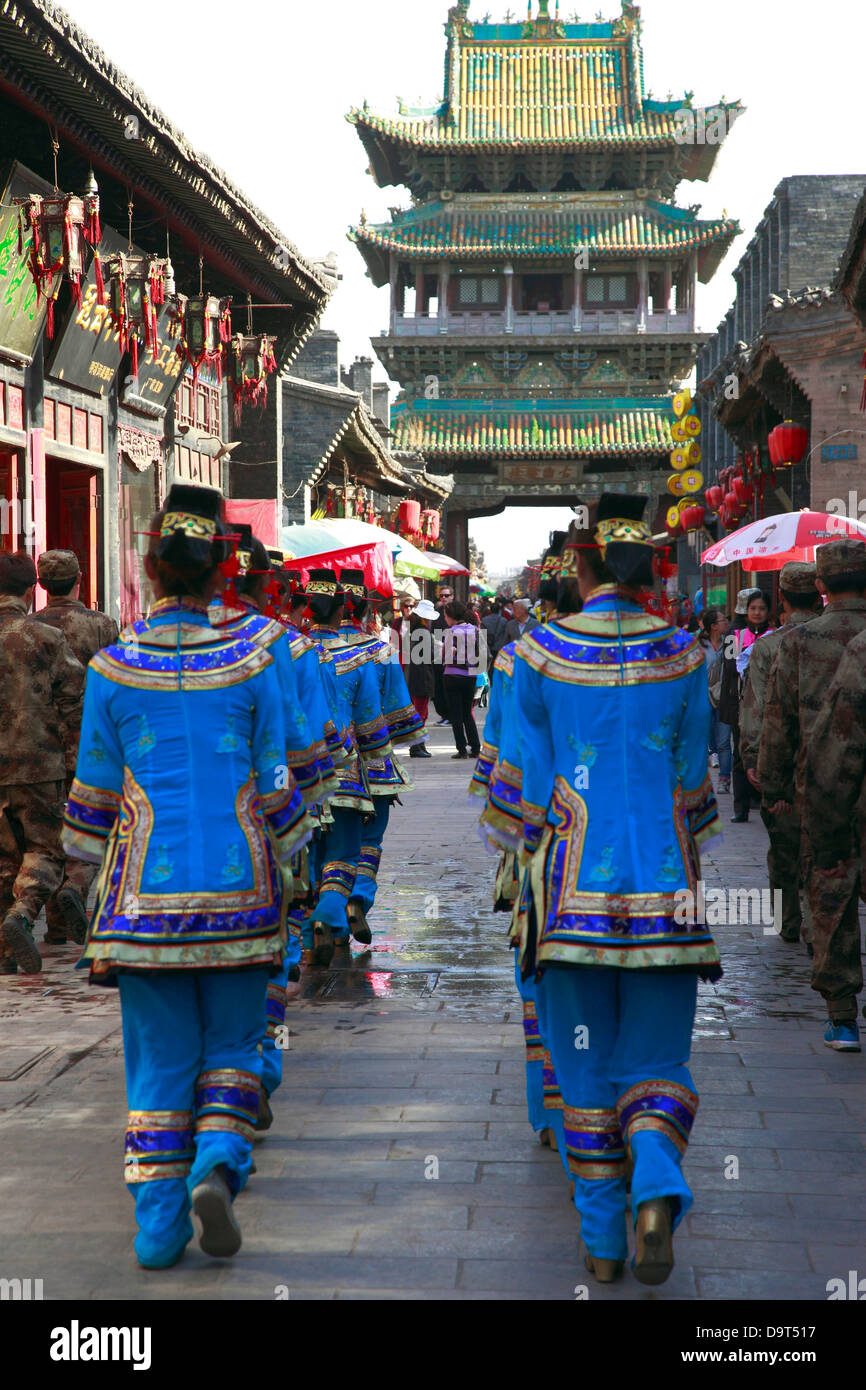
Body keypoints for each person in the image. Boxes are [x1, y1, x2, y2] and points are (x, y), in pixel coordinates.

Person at [61, 484, 313, 1268]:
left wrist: (77, 863)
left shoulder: (110, 667)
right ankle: (216, 1165)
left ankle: (158, 1230)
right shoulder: (255, 661)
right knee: (236, 1044)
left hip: (144, 904)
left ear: (149, 566)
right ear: (217, 575)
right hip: (242, 892)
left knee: (159, 1061)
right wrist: (298, 853)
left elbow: (90, 810)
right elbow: (277, 787)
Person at [507, 494, 722, 1286]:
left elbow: (527, 797)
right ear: (647, 569)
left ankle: (602, 1241)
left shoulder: (538, 655)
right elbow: (696, 786)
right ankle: (658, 1182)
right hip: (670, 896)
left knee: (584, 1068)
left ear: (583, 564)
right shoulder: (686, 656)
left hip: (569, 898)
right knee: (659, 1057)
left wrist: (529, 859)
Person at [758, 538, 866, 1051]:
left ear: (821, 585)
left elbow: (777, 722)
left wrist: (774, 785)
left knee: (830, 895)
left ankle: (842, 1016)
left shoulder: (796, 643)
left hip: (820, 787)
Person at [0, 550, 86, 974]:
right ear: (30, 589)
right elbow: (76, 702)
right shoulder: (43, 638)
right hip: (39, 763)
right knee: (47, 848)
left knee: (2, 855)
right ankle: (22, 912)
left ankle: (3, 952)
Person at [26, 549, 118, 945]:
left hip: (40, 749)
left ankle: (57, 925)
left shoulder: (28, 628)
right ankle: (76, 887)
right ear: (80, 579)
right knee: (91, 822)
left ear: (42, 585)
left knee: (46, 832)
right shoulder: (102, 625)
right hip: (89, 746)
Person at [304, 570, 393, 965]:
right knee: (352, 846)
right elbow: (380, 719)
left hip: (295, 769)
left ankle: (310, 930)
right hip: (349, 764)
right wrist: (379, 761)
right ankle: (340, 907)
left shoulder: (287, 649)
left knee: (309, 850)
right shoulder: (369, 652)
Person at [334, 569, 425, 941]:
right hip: (374, 760)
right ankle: (358, 896)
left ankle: (326, 921)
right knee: (371, 839)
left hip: (326, 762)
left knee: (331, 844)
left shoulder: (305, 649)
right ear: (369, 609)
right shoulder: (380, 651)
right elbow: (400, 715)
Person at [739, 562, 821, 945]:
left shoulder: (769, 647)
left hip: (785, 767)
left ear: (782, 598)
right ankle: (822, 929)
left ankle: (790, 923)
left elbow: (756, 712)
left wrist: (754, 761)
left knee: (785, 853)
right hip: (843, 768)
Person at [802, 625, 866, 1042]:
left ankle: (843, 1018)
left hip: (848, 804)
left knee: (838, 903)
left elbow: (841, 742)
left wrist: (824, 814)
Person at [718, 588, 768, 823]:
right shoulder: (734, 635)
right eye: (753, 608)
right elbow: (729, 669)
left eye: (762, 608)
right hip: (741, 704)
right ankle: (741, 806)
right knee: (740, 753)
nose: (757, 613)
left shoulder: (774, 634)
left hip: (767, 706)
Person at [393, 597, 436, 758]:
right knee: (420, 713)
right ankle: (416, 747)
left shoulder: (415, 630)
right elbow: (426, 658)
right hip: (421, 678)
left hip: (414, 677)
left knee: (419, 712)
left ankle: (419, 745)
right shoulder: (422, 632)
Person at [442, 599, 482, 760]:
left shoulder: (451, 632)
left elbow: (444, 656)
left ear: (451, 617)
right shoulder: (475, 630)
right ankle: (476, 746)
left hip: (452, 675)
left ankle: (462, 749)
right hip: (470, 676)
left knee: (456, 715)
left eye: (445, 616)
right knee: (467, 713)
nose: (445, 618)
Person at [699, 608, 731, 793]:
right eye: (723, 620)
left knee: (724, 742)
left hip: (724, 697)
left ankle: (724, 779)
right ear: (713, 626)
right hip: (703, 698)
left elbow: (735, 667)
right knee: (703, 739)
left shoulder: (730, 642)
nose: (726, 622)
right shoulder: (699, 645)